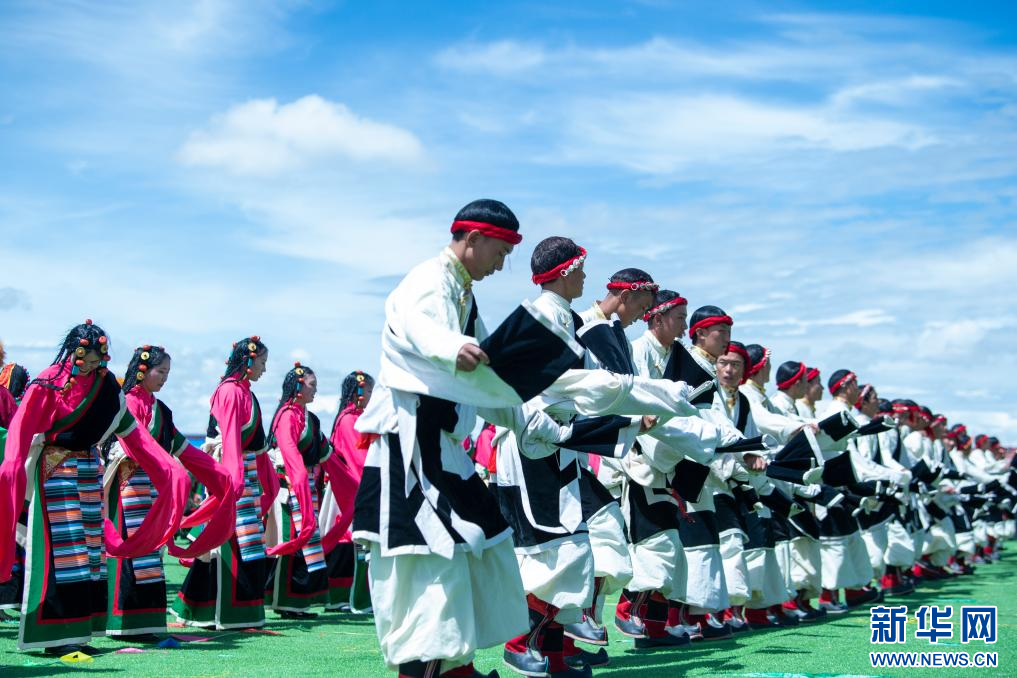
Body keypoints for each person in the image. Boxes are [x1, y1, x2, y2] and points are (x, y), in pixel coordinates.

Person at [350, 200, 576, 678]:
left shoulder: (464, 295)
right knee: (431, 577)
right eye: (500, 252)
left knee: (477, 560)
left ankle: (458, 669)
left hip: (445, 455)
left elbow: (493, 382)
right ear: (473, 239)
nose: (501, 264)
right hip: (410, 451)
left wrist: (542, 426)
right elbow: (419, 325)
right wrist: (454, 347)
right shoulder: (428, 280)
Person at [0, 321, 189, 654]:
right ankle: (54, 639)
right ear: (74, 352)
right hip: (56, 467)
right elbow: (20, 428)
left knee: (88, 555)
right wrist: (12, 468)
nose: (89, 365)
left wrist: (170, 469)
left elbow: (133, 434)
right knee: (64, 553)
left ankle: (78, 635)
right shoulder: (49, 382)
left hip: (89, 468)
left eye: (95, 359)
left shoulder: (106, 387)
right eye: (85, 359)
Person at [105, 345, 236, 641]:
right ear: (142, 370)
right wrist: (168, 468)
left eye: (167, 373)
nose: (165, 378)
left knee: (152, 555)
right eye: (160, 371)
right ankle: (125, 624)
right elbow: (134, 445)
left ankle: (148, 624)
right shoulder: (128, 402)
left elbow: (183, 448)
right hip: (129, 485)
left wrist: (220, 476)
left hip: (154, 487)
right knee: (134, 553)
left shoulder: (161, 410)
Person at [173, 336, 277, 630]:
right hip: (232, 471)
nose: (264, 369)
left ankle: (204, 611)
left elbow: (254, 444)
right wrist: (235, 480)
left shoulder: (245, 392)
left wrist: (266, 483)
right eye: (262, 362)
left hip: (244, 470)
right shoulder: (230, 391)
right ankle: (230, 615)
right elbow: (230, 438)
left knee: (241, 542)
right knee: (231, 540)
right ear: (248, 361)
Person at [265, 363, 331, 618]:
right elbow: (289, 452)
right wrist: (300, 479)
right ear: (299, 387)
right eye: (312, 385)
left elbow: (325, 453)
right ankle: (285, 601)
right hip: (290, 488)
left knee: (306, 543)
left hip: (307, 486)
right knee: (292, 541)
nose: (316, 390)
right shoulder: (287, 416)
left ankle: (299, 602)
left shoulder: (309, 418)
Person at [321, 370, 375, 612]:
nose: (373, 395)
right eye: (370, 391)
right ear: (359, 393)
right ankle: (343, 596)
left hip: (355, 484)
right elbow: (358, 458)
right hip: (348, 486)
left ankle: (350, 596)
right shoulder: (349, 419)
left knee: (352, 540)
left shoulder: (357, 417)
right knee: (347, 539)